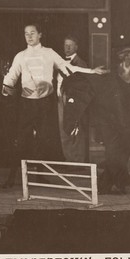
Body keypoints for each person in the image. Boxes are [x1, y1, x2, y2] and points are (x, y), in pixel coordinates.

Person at [2, 24, 107, 179]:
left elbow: (68, 67)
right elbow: (10, 77)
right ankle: (11, 176)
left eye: (32, 33)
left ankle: (40, 175)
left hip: (45, 103)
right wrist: (8, 90)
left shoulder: (49, 53)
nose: (29, 36)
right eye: (26, 34)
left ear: (40, 35)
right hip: (27, 104)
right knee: (22, 139)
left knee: (43, 140)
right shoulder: (20, 56)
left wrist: (92, 71)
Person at [56, 35, 88, 163]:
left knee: (75, 132)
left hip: (72, 103)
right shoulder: (61, 62)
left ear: (76, 47)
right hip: (60, 101)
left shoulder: (80, 63)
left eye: (70, 45)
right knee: (64, 131)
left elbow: (83, 86)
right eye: (65, 45)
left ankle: (77, 161)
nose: (67, 48)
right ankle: (69, 160)